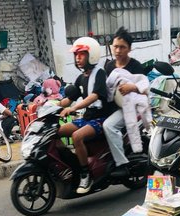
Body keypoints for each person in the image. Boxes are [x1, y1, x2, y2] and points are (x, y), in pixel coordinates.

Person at [59, 36, 112, 194]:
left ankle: (85, 174)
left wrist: (73, 108)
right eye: (76, 55)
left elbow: (94, 96)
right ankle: (71, 166)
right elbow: (69, 99)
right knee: (56, 132)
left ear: (92, 55)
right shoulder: (81, 78)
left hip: (102, 119)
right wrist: (48, 105)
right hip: (87, 119)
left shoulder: (100, 74)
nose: (78, 58)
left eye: (81, 54)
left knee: (77, 137)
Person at [103, 27, 147, 178]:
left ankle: (122, 164)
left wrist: (132, 87)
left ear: (129, 49)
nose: (118, 50)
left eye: (122, 47)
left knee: (108, 126)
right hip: (114, 106)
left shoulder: (135, 66)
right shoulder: (109, 66)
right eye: (115, 46)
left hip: (131, 108)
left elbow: (145, 89)